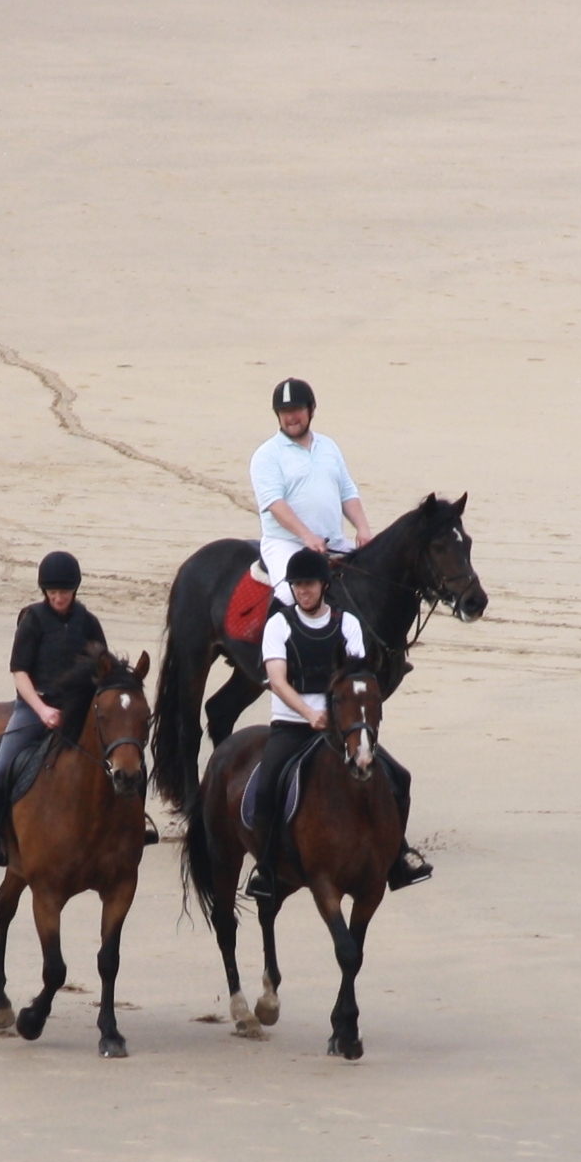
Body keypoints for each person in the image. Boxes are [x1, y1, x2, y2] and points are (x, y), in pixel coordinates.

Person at [253, 547, 432, 894]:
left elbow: (357, 675)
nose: (303, 590)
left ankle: (398, 856)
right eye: (297, 585)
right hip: (291, 726)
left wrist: (345, 718)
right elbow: (277, 681)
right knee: (266, 788)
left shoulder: (346, 623)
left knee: (399, 778)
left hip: (341, 729)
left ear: (323, 585)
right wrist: (309, 713)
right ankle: (267, 867)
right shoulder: (279, 624)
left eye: (309, 584)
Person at [0, 551, 106, 868]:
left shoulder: (88, 623)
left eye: (64, 592)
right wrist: (42, 710)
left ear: (75, 590)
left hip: (78, 708)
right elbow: (19, 673)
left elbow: (103, 667)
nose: (58, 598)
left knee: (123, 756)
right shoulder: (33, 620)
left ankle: (134, 823)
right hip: (34, 707)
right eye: (52, 592)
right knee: (3, 766)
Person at [249, 377, 373, 587]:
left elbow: (347, 492)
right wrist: (307, 536)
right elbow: (275, 504)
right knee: (290, 593)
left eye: (296, 409)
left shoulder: (328, 446)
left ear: (311, 409)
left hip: (334, 543)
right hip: (286, 545)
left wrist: (363, 528)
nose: (291, 418)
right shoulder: (267, 455)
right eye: (284, 412)